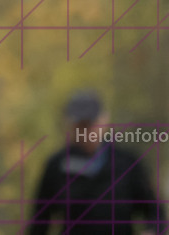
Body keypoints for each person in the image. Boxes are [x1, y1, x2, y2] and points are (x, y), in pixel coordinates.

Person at [28, 90, 161, 235]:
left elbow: (156, 213)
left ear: (104, 120)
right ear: (69, 124)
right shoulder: (57, 166)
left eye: (90, 124)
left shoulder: (128, 163)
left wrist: (152, 231)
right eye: (80, 125)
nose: (85, 131)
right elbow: (39, 222)